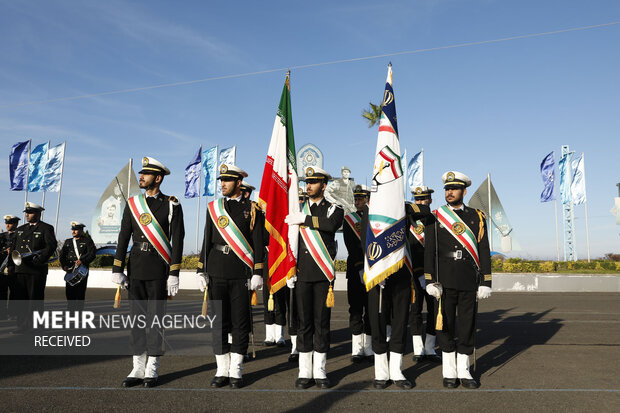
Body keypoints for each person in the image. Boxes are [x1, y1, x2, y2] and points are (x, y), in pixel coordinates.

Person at [111, 156, 185, 388]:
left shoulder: (172, 204)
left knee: (155, 321)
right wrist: (117, 267)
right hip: (136, 268)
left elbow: (178, 239)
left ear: (158, 178)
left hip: (158, 270)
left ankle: (152, 367)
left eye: (146, 174)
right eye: (141, 174)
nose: (141, 177)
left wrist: (174, 272)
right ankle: (137, 368)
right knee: (136, 320)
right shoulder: (133, 204)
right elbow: (124, 236)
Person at [197, 164, 265, 389]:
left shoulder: (253, 208)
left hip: (241, 273)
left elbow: (257, 243)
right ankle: (221, 370)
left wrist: (258, 271)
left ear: (238, 182)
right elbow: (207, 239)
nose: (222, 184)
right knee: (219, 324)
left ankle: (236, 370)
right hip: (216, 271)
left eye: (227, 180)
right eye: (221, 180)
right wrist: (201, 269)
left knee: (240, 323)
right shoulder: (214, 207)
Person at [424, 171, 492, 389]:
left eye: (454, 188)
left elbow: (483, 250)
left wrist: (485, 281)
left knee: (467, 326)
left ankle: (464, 371)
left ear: (464, 191)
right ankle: (449, 371)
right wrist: (430, 280)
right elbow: (429, 252)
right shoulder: (435, 216)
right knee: (446, 326)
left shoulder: (477, 216)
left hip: (468, 279)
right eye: (447, 188)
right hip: (443, 281)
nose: (449, 192)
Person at [285, 167, 344, 389]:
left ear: (324, 185)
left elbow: (331, 226)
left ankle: (320, 371)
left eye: (313, 182)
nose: (308, 185)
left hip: (322, 274)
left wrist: (305, 219)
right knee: (304, 323)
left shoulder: (333, 209)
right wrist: (288, 269)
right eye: (306, 182)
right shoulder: (297, 208)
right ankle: (304, 371)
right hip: (301, 273)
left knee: (322, 323)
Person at [362, 199, 430, 390]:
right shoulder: (371, 210)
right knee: (378, 323)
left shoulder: (403, 206)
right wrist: (374, 270)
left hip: (401, 273)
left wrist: (404, 206)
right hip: (378, 276)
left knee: (400, 323)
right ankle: (381, 373)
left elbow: (425, 211)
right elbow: (363, 242)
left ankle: (397, 371)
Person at [11, 202, 57, 334]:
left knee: (35, 299)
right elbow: (14, 249)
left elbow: (51, 246)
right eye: (26, 213)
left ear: (38, 214)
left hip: (36, 269)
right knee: (21, 298)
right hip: (21, 268)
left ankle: (36, 326)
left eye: (30, 213)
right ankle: (22, 325)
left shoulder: (46, 228)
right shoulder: (20, 229)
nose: (27, 215)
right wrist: (10, 265)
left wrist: (40, 258)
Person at [408, 186, 441, 363]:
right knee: (415, 311)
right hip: (413, 275)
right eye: (417, 200)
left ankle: (430, 348)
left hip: (433, 274)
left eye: (424, 199)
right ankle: (418, 349)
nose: (420, 202)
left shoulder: (435, 219)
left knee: (434, 310)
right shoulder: (407, 220)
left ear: (430, 200)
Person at [343, 185, 373, 362]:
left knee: (370, 310)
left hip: (372, 269)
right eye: (356, 199)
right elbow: (351, 245)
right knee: (355, 309)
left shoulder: (374, 218)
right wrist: (360, 266)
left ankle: (368, 347)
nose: (358, 202)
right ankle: (357, 348)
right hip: (355, 270)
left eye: (361, 199)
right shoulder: (349, 219)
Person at [59, 221, 96, 312]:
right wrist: (64, 266)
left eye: (76, 230)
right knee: (69, 293)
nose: (73, 231)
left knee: (80, 293)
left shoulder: (87, 241)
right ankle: (70, 311)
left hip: (82, 270)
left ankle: (79, 312)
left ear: (81, 230)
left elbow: (92, 254)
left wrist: (82, 261)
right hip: (70, 270)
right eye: (73, 229)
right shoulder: (68, 241)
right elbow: (62, 256)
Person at [0, 215, 20, 320]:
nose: (7, 225)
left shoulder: (20, 235)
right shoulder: (1, 236)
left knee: (14, 292)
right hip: (2, 268)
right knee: (1, 292)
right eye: (6, 223)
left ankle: (13, 313)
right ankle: (2, 313)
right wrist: (4, 251)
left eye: (10, 223)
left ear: (16, 224)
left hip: (15, 268)